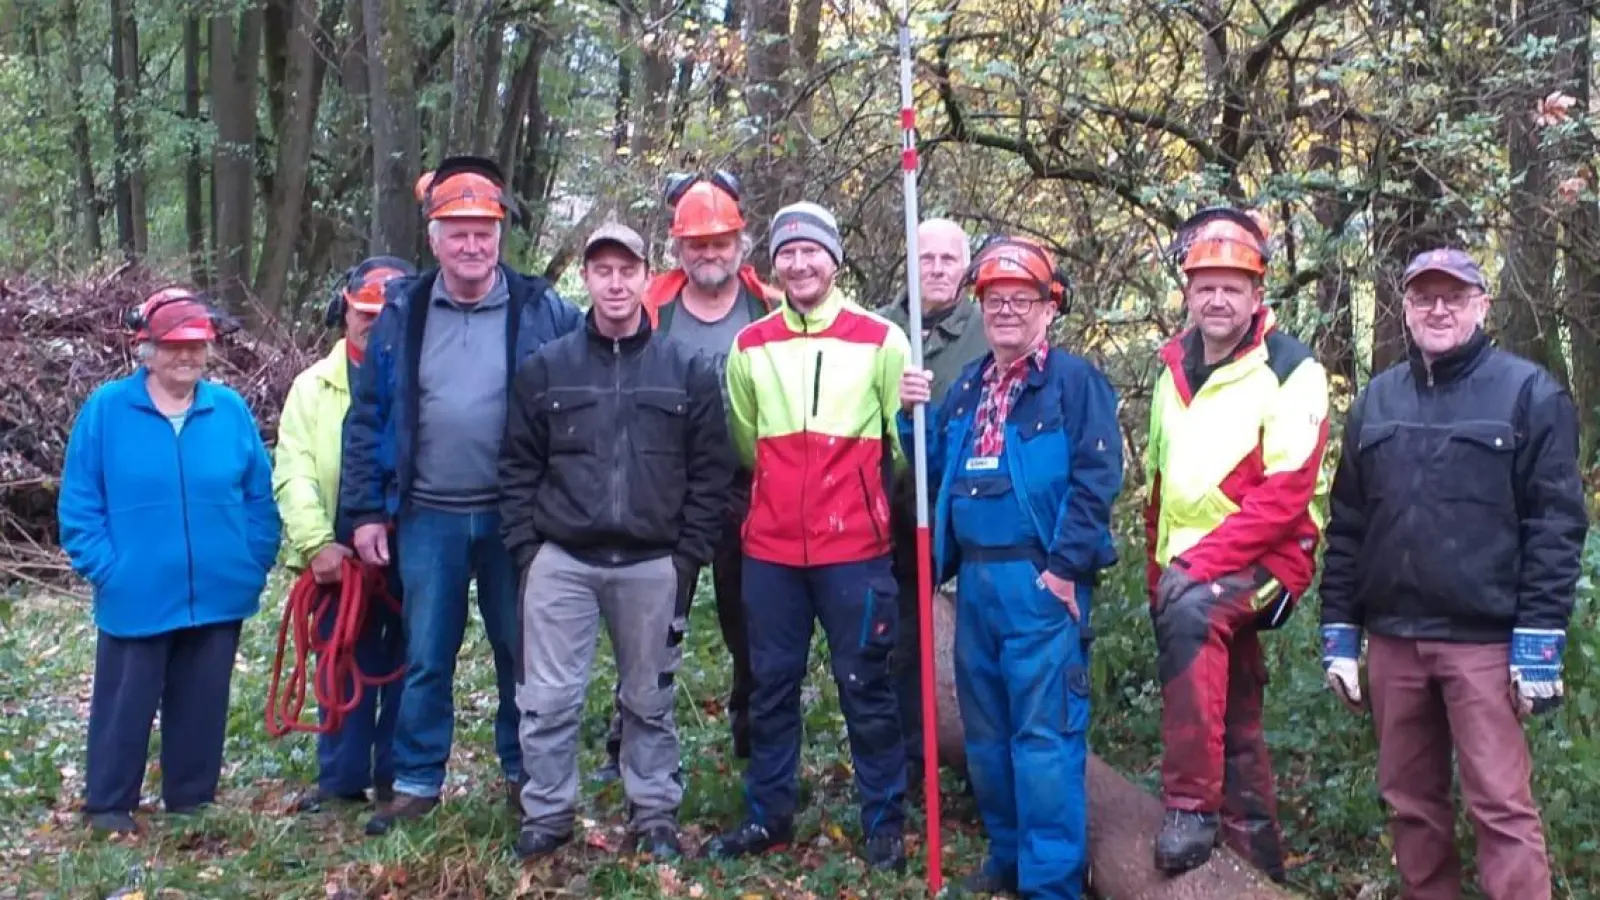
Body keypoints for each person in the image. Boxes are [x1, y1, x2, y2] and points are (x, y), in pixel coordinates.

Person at [1319, 248, 1586, 900]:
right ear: (1405, 308)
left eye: (1454, 296)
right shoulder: (1376, 401)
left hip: (1485, 645)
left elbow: (1555, 528)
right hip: (1393, 641)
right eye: (1423, 297)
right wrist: (1338, 635)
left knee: (1500, 805)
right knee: (1411, 804)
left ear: (1481, 304)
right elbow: (1348, 525)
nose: (1438, 309)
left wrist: (1539, 647)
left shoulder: (1529, 394)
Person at [341, 155, 584, 834]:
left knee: (521, 652)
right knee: (426, 656)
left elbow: (584, 400)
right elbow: (367, 416)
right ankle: (416, 783)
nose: (472, 245)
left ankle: (524, 775)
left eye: (484, 231)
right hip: (427, 517)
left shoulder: (543, 310)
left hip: (517, 519)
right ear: (434, 238)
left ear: (501, 234)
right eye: (458, 232)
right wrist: (364, 512)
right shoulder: (404, 311)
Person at [499, 223, 734, 860]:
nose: (616, 283)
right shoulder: (546, 368)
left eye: (627, 270)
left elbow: (712, 473)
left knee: (649, 700)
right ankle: (546, 814)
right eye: (602, 271)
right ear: (586, 277)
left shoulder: (686, 370)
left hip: (653, 563)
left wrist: (688, 557)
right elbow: (517, 465)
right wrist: (528, 551)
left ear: (646, 275)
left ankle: (654, 815)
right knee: (547, 701)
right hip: (563, 562)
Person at [899, 237, 1122, 899]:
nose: (1005, 312)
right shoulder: (968, 387)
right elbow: (932, 473)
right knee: (988, 738)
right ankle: (1008, 856)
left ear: (1048, 309)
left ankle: (1052, 880)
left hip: (1040, 584)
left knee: (1043, 740)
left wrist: (1064, 570)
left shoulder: (1073, 384)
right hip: (975, 587)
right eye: (995, 300)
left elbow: (1096, 479)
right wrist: (912, 420)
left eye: (1021, 300)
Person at [707, 202, 913, 872]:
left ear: (835, 258)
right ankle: (768, 814)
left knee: (865, 684)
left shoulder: (882, 340)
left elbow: (900, 448)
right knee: (770, 685)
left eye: (811, 251)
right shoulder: (749, 346)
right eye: (787, 253)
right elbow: (745, 440)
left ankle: (884, 821)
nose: (800, 264)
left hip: (854, 549)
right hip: (769, 550)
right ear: (772, 265)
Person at [1144, 207, 1330, 879]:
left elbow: (1285, 496)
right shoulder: (1172, 370)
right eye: (1204, 286)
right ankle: (1258, 855)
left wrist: (1194, 570)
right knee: (1236, 700)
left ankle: (1190, 806)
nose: (1217, 298)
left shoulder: (1291, 369)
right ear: (1188, 293)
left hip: (1270, 558)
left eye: (1232, 286)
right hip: (1192, 565)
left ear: (1257, 295)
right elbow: (1159, 488)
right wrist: (1158, 572)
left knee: (1195, 614)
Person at [58, 286, 281, 834]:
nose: (186, 356)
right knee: (124, 706)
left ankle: (191, 803)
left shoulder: (228, 410)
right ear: (147, 349)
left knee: (203, 704)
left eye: (197, 346)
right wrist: (108, 568)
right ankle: (109, 806)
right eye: (174, 346)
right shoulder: (108, 410)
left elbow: (258, 494)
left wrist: (251, 559)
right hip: (136, 591)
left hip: (219, 590)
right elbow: (80, 503)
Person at [591, 172, 779, 780]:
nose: (709, 252)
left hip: (753, 488)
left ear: (739, 243)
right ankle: (628, 744)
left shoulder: (768, 306)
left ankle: (757, 748)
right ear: (678, 249)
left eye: (720, 240)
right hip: (665, 487)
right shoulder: (653, 309)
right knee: (651, 622)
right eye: (697, 243)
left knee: (752, 623)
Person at [274, 258, 416, 813]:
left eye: (384, 315)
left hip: (411, 541)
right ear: (346, 311)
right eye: (365, 314)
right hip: (338, 547)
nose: (373, 325)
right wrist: (317, 543)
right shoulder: (312, 388)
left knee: (412, 660)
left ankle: (400, 779)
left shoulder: (420, 379)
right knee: (340, 656)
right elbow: (294, 470)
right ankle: (340, 781)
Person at [880, 217, 989, 785]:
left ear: (965, 268)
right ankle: (909, 765)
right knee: (901, 643)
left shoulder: (987, 329)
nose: (938, 269)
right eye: (927, 259)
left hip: (966, 513)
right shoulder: (881, 330)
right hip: (895, 515)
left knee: (975, 641)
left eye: (949, 260)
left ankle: (982, 767)